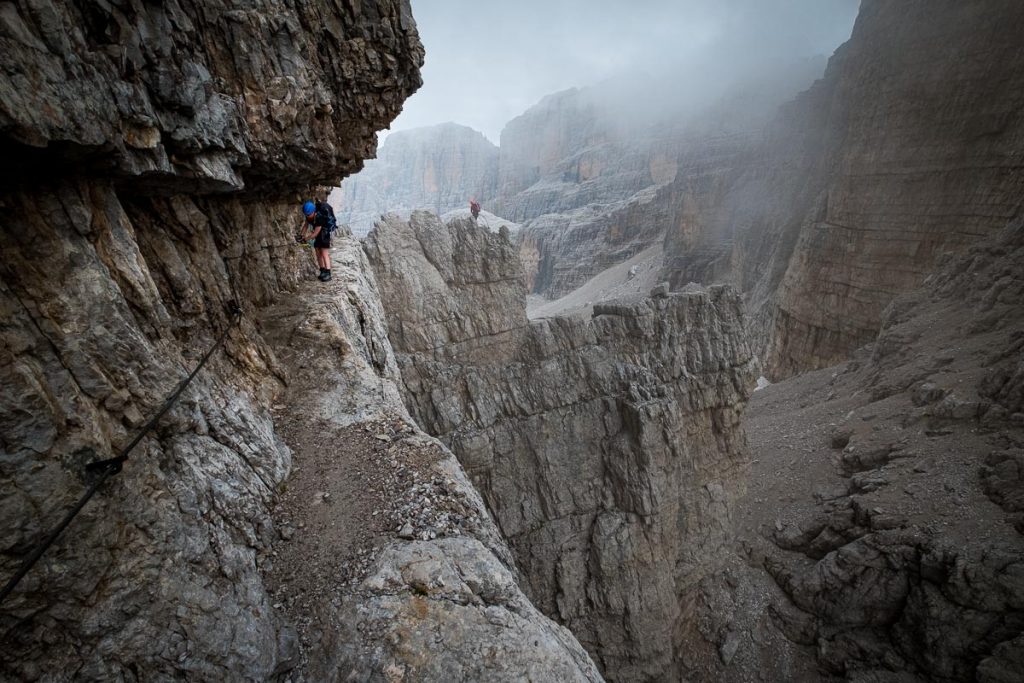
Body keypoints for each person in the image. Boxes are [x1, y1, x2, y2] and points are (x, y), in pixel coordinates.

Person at [299, 199, 336, 281]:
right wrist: (301, 235)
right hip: (319, 234)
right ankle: (322, 270)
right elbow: (306, 225)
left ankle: (328, 273)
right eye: (306, 215)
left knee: (324, 253)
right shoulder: (309, 215)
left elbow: (315, 233)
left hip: (325, 234)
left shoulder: (319, 217)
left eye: (309, 214)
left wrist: (306, 238)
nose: (308, 216)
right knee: (317, 251)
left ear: (313, 212)